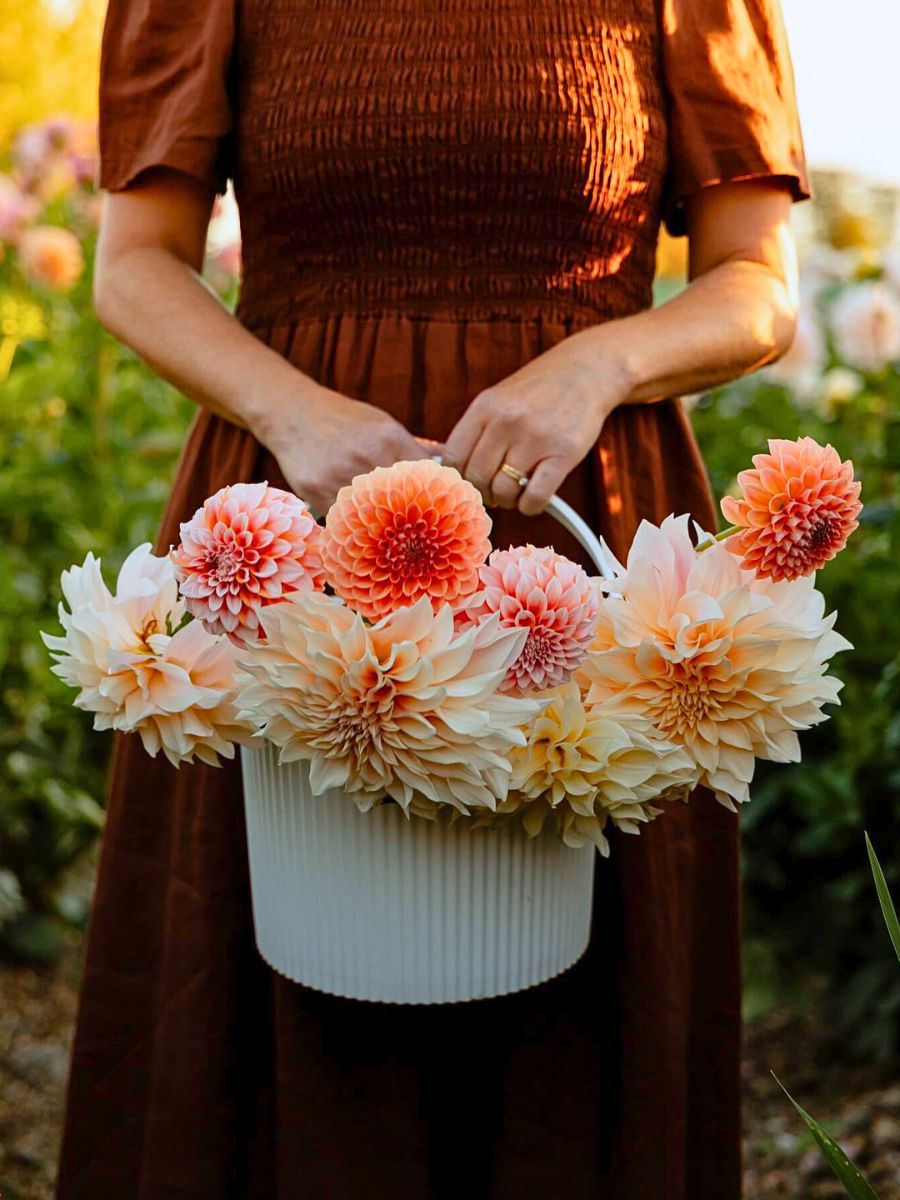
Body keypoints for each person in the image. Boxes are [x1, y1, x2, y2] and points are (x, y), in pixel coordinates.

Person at [55, 1, 811, 1196]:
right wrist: (291, 411)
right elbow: (134, 265)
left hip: (583, 516)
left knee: (579, 1000)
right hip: (294, 522)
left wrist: (595, 366)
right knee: (288, 988)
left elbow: (758, 285)